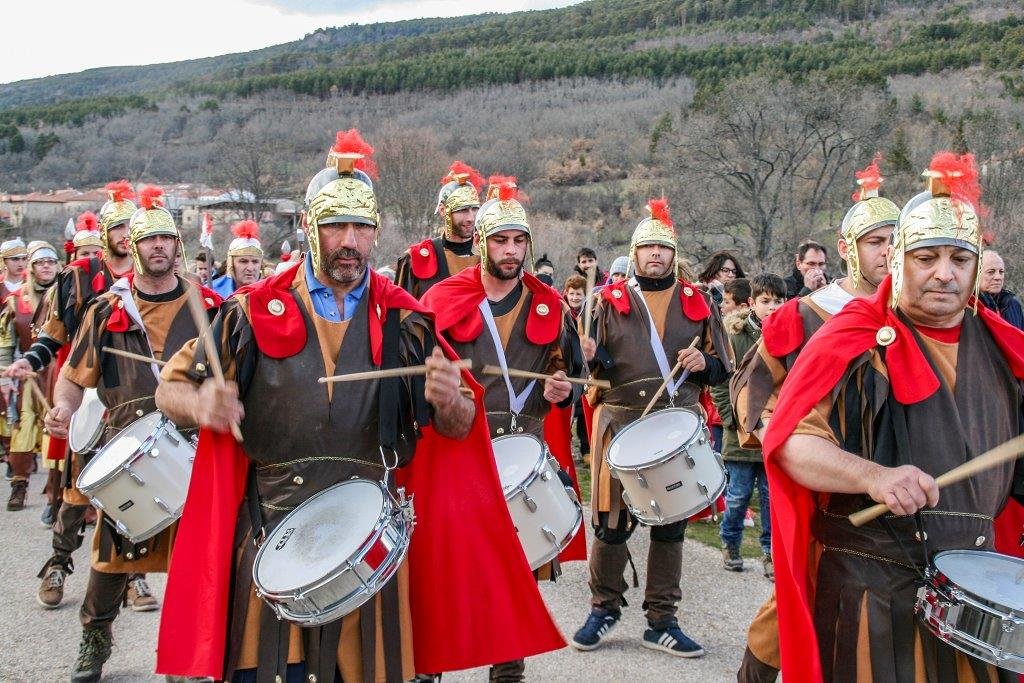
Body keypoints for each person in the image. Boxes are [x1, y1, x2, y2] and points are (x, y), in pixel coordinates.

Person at [154, 131, 564, 683]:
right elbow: (169, 390)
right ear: (309, 226)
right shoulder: (248, 313)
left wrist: (449, 402)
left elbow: (459, 423)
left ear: (375, 231)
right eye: (336, 226)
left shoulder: (407, 319)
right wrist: (200, 401)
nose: (350, 242)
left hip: (371, 537)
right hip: (272, 526)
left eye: (361, 227)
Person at [764, 151, 1024, 681]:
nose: (944, 274)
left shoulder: (1005, 351)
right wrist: (874, 477)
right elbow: (792, 443)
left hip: (975, 600)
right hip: (871, 591)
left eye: (960, 259)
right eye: (927, 258)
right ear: (900, 258)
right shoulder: (852, 337)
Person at [729, 154, 901, 682]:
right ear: (848, 249)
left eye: (897, 240)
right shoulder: (807, 312)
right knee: (795, 596)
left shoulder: (915, 311)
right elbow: (750, 386)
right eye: (876, 241)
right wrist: (781, 437)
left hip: (897, 482)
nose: (888, 251)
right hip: (820, 482)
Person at [41, 185, 221, 682]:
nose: (158, 246)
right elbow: (73, 378)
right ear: (132, 247)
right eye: (148, 239)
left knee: (197, 563)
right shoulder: (105, 310)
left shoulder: (210, 307)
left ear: (177, 245)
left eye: (166, 238)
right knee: (111, 560)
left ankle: (186, 656)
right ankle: (95, 640)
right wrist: (62, 408)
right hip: (128, 447)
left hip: (194, 450)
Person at [421, 178, 584, 682]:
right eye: (500, 241)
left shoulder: (550, 304)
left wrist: (563, 389)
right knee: (446, 570)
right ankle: (431, 667)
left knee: (514, 575)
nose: (510, 251)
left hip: (521, 456)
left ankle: (508, 672)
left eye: (518, 241)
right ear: (481, 243)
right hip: (460, 452)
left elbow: (571, 374)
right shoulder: (443, 298)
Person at [571, 198, 732, 658]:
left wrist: (703, 363)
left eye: (663, 247)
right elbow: (586, 371)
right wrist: (587, 355)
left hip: (674, 428)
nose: (655, 254)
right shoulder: (605, 303)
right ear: (635, 253)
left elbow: (723, 368)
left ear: (674, 254)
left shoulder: (698, 302)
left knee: (670, 527)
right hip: (619, 424)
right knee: (610, 525)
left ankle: (662, 620)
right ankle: (603, 608)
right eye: (647, 247)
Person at [4, 184, 149, 612]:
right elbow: (54, 333)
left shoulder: (152, 276)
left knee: (136, 490)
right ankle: (59, 562)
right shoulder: (80, 275)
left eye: (132, 227)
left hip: (136, 398)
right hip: (87, 392)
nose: (125, 234)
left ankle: (135, 576)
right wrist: (30, 359)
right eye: (118, 227)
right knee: (77, 490)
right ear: (105, 232)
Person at [710, 274, 785, 577]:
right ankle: (730, 543)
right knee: (738, 495)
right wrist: (730, 419)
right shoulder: (736, 337)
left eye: (778, 301)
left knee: (770, 498)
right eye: (766, 301)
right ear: (752, 303)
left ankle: (770, 552)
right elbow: (720, 383)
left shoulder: (788, 336)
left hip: (773, 431)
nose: (772, 307)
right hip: (739, 432)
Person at [0, 240, 60, 511]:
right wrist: (5, 378)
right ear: (32, 267)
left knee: (56, 430)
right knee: (23, 429)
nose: (46, 266)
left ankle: (54, 492)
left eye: (51, 262)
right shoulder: (15, 300)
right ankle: (19, 485)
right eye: (40, 262)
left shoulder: (67, 295)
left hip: (58, 373)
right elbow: (6, 343)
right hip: (27, 374)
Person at [395, 160, 483, 297]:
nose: (471, 218)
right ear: (443, 210)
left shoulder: (489, 256)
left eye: (475, 209)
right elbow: (401, 307)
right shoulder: (415, 258)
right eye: (463, 210)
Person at [210, 220, 263, 298]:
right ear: (231, 263)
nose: (250, 268)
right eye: (243, 261)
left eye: (255, 262)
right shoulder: (213, 291)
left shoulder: (271, 293)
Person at [979, 249, 1023, 330]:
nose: (998, 277)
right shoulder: (968, 306)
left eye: (1001, 272)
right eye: (991, 272)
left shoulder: (1013, 304)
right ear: (976, 274)